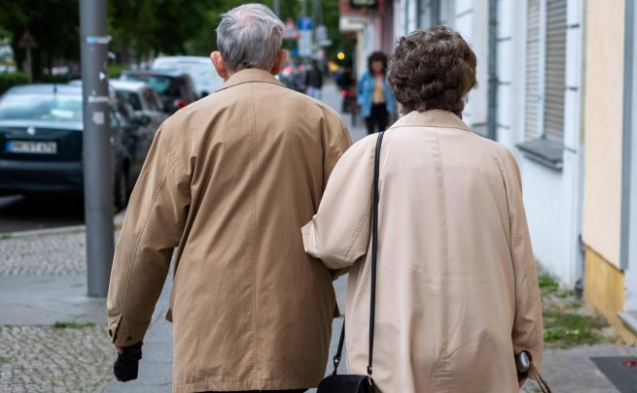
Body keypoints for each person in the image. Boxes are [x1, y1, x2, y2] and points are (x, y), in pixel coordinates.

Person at [106, 4, 352, 393]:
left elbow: (145, 241)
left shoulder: (182, 127)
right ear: (280, 61)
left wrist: (128, 331)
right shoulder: (323, 122)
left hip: (209, 322)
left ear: (218, 62)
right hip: (295, 321)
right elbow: (348, 229)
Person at [302, 26, 543, 392]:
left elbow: (334, 247)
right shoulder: (498, 159)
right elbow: (521, 267)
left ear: (399, 83)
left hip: (393, 349)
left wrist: (309, 230)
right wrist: (526, 348)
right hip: (481, 346)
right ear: (465, 85)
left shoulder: (371, 153)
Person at [357, 51, 396, 135]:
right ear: (371, 65)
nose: (377, 67)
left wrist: (393, 105)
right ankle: (372, 148)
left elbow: (393, 92)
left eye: (379, 64)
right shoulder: (365, 76)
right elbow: (359, 91)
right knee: (370, 133)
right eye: (375, 64)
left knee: (382, 132)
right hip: (369, 107)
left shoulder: (388, 76)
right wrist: (361, 102)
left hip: (383, 108)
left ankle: (379, 148)